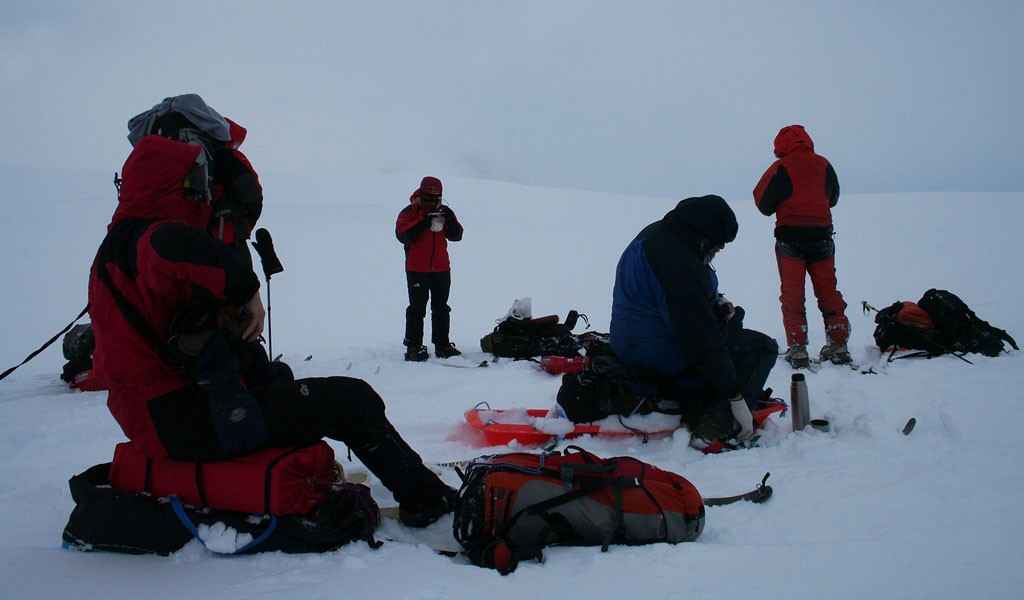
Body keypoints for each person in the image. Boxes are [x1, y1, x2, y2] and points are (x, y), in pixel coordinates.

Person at [88, 134, 455, 527]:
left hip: (166, 414)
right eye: (193, 182)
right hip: (186, 418)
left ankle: (314, 471)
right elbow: (185, 249)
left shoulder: (118, 249)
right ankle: (428, 500)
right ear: (166, 185)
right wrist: (246, 290)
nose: (202, 194)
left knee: (278, 378)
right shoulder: (148, 238)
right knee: (353, 400)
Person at [610, 195, 778, 450]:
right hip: (653, 355)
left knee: (734, 324)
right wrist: (733, 395)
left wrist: (715, 301)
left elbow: (681, 298)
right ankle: (717, 425)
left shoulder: (660, 235)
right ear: (704, 237)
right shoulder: (677, 262)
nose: (716, 252)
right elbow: (698, 338)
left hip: (630, 341)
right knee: (761, 347)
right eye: (716, 246)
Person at [127, 93, 264, 269]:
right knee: (235, 284)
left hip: (160, 246)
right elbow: (251, 194)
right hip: (223, 242)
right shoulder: (224, 155)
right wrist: (239, 227)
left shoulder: (152, 156)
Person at [753, 125, 851, 368]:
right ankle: (838, 345)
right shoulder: (824, 164)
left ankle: (798, 349)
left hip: (790, 238)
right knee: (828, 291)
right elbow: (833, 198)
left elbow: (763, 203)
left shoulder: (780, 167)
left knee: (793, 293)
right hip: (822, 237)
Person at [395, 176, 464, 361]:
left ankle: (442, 345)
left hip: (441, 268)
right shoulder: (409, 212)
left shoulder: (445, 212)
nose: (432, 202)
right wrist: (422, 222)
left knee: (441, 308)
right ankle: (413, 347)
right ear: (421, 194)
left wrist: (450, 220)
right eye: (428, 198)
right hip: (417, 268)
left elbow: (457, 236)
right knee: (417, 309)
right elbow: (402, 236)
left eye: (435, 198)